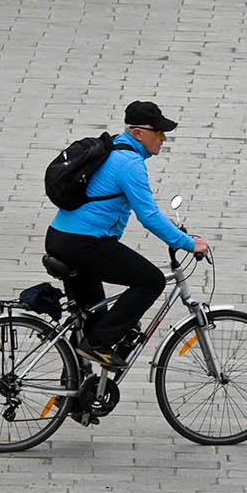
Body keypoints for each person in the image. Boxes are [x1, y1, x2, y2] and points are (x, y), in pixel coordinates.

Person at [45, 100, 209, 369]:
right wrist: (189, 243)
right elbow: (149, 217)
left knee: (94, 318)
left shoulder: (111, 151)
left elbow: (142, 210)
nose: (163, 138)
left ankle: (77, 397)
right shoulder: (129, 163)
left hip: (62, 238)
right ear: (138, 133)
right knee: (151, 281)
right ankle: (96, 345)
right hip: (84, 244)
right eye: (158, 132)